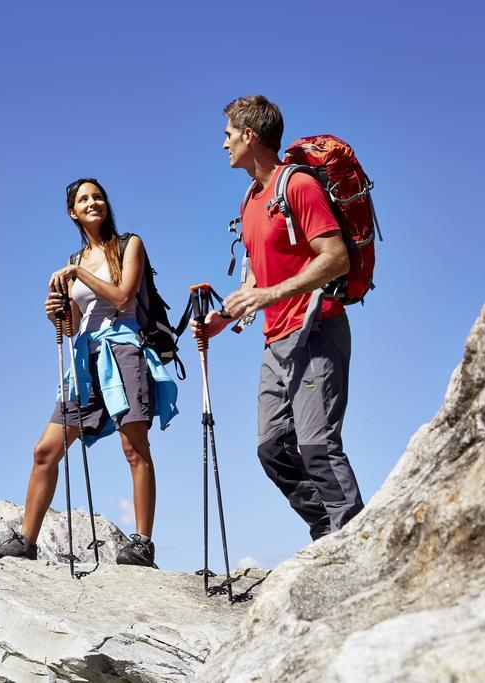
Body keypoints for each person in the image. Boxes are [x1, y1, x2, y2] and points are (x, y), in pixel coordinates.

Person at [0, 178, 177, 567]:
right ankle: (26, 540)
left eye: (97, 196)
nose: (93, 202)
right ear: (73, 212)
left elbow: (122, 296)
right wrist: (57, 315)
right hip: (86, 359)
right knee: (44, 451)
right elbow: (72, 325)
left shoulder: (128, 245)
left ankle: (143, 542)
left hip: (124, 351)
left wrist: (77, 275)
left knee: (134, 449)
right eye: (84, 199)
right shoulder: (77, 261)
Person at [199, 95, 364, 539]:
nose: (224, 144)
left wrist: (271, 293)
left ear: (250, 136)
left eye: (229, 135)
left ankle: (351, 544)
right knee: (273, 450)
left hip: (317, 328)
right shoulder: (249, 202)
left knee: (317, 447)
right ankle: (330, 534)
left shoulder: (298, 187)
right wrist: (223, 318)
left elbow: (335, 259)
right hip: (277, 341)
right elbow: (259, 280)